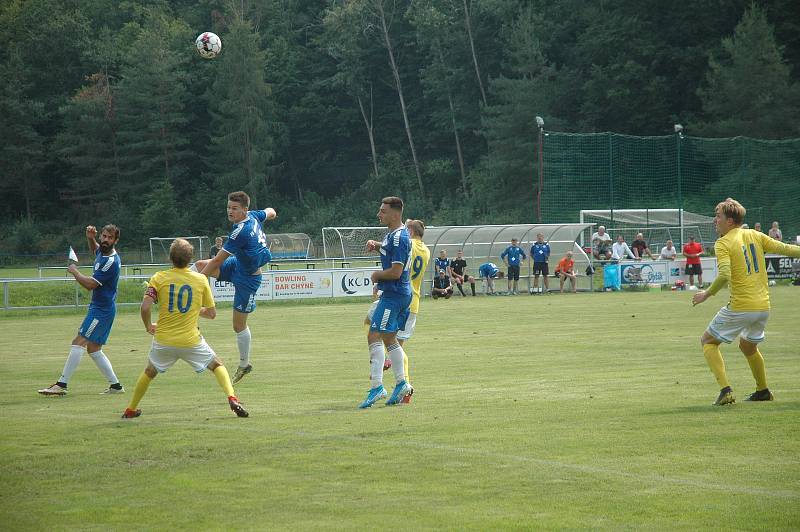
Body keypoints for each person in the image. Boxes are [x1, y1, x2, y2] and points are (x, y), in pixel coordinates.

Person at [121, 239, 248, 418]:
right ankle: (232, 398)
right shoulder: (200, 279)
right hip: (191, 340)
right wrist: (194, 310)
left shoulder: (158, 277)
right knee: (217, 365)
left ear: (170, 258)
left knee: (149, 372)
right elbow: (211, 314)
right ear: (191, 259)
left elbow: (145, 307)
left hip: (164, 339)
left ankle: (131, 409)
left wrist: (148, 326)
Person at [692, 198, 800, 406]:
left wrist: (706, 294)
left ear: (730, 221)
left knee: (708, 341)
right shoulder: (755, 235)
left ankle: (726, 391)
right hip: (763, 307)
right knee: (748, 347)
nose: (715, 220)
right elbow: (788, 249)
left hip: (741, 306)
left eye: (719, 216)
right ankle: (763, 391)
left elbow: (724, 274)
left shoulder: (723, 243)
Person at [194, 191, 277, 384]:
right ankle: (191, 298)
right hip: (238, 265)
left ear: (244, 210)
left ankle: (244, 364)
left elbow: (216, 261)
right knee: (199, 265)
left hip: (249, 280)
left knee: (238, 325)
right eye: (229, 207)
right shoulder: (254, 216)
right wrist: (272, 213)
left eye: (234, 208)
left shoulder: (240, 231)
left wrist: (195, 281)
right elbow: (270, 211)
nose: (230, 211)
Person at [38, 225, 124, 396]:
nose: (105, 240)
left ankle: (61, 385)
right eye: (104, 236)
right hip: (102, 308)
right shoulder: (103, 252)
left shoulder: (110, 262)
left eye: (110, 238)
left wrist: (74, 271)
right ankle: (116, 386)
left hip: (101, 311)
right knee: (94, 349)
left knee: (78, 342)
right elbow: (96, 251)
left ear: (116, 240)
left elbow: (89, 285)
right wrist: (90, 238)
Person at [366, 219, 430, 404]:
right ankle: (402, 389)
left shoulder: (407, 243)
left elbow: (394, 255)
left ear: (409, 231)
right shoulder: (425, 250)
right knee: (396, 345)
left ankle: (398, 379)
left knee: (371, 325)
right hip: (414, 303)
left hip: (399, 298)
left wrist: (376, 245)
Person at [360, 197, 413, 408]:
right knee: (388, 337)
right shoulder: (393, 235)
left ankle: (377, 387)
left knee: (375, 333)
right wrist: (378, 245)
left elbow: (396, 271)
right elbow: (391, 248)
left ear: (395, 213)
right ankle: (401, 384)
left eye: (382, 211)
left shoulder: (400, 237)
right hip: (397, 294)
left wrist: (377, 275)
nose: (378, 214)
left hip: (394, 294)